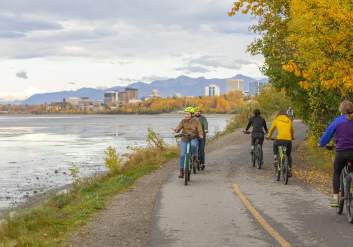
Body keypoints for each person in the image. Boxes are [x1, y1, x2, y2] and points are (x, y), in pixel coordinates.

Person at [319, 100, 353, 207]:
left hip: (341, 152)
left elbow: (328, 134)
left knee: (337, 172)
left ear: (341, 110)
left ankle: (335, 199)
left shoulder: (337, 121)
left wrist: (321, 143)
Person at [175, 107, 204, 178]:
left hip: (193, 138)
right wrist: (176, 130)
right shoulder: (183, 121)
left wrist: (200, 135)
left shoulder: (196, 121)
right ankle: (181, 171)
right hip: (184, 139)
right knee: (182, 155)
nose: (186, 115)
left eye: (187, 114)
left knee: (193, 145)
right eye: (185, 114)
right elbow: (178, 128)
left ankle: (194, 157)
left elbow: (200, 129)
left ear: (191, 114)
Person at [266, 110, 294, 176]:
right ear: (286, 115)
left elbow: (271, 129)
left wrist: (268, 136)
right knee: (288, 155)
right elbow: (292, 130)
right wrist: (292, 137)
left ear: (278, 115)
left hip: (279, 140)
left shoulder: (276, 120)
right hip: (288, 141)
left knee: (275, 143)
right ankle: (289, 169)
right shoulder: (289, 120)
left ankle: (275, 156)